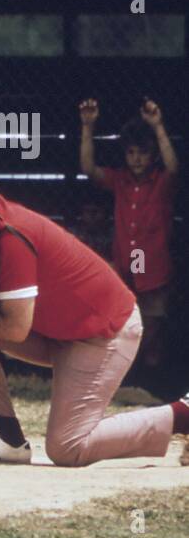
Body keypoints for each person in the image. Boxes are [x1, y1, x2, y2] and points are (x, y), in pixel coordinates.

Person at [0, 148, 189, 466]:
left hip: (104, 333)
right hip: (62, 330)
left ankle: (183, 416)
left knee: (68, 448)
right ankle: (8, 438)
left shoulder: (7, 229)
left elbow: (14, 326)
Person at [79, 97, 178, 375]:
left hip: (155, 268)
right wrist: (88, 128)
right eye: (131, 152)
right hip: (125, 268)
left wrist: (158, 127)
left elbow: (173, 166)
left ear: (153, 155)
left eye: (143, 153)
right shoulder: (119, 180)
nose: (136, 158)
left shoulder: (162, 181)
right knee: (123, 325)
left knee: (153, 326)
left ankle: (153, 379)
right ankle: (129, 377)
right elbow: (89, 169)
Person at [70, 189, 113, 263]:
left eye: (95, 211)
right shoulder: (73, 233)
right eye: (88, 211)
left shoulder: (113, 234)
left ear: (105, 213)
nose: (92, 215)